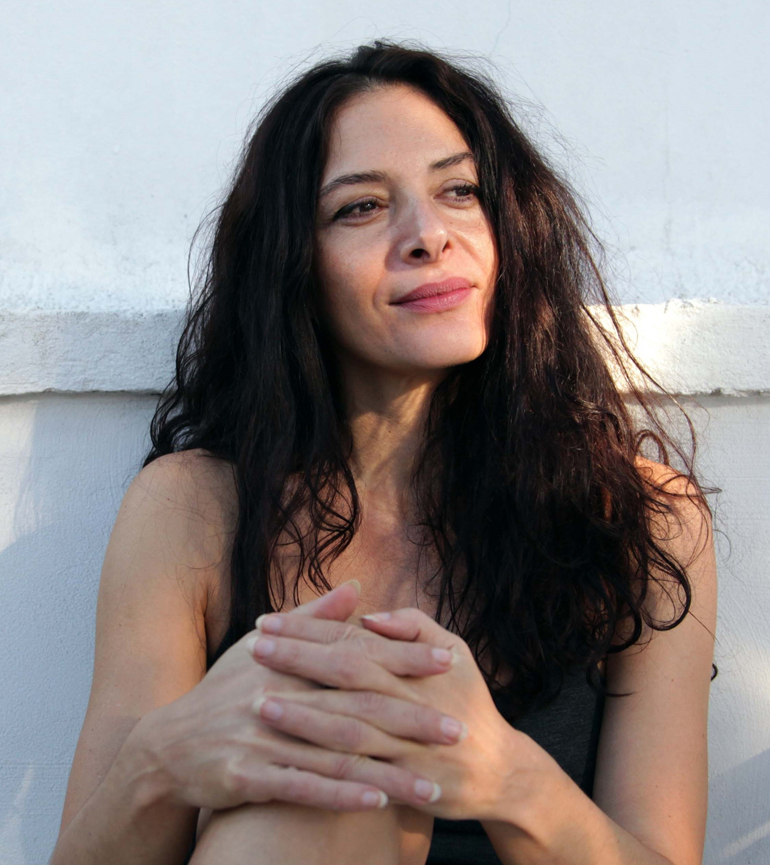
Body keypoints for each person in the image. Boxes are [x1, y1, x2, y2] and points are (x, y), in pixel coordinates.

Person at [51, 41, 717, 865]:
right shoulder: (192, 509)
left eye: (460, 191)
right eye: (361, 207)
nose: (429, 235)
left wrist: (511, 779)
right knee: (310, 796)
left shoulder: (643, 520)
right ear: (292, 264)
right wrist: (164, 758)